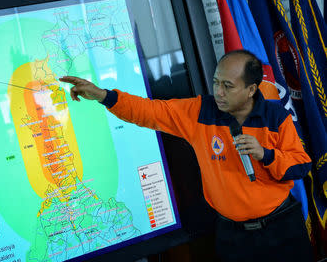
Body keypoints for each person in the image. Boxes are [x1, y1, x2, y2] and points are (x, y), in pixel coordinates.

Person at [59, 49, 313, 262]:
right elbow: (150, 112)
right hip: (233, 237)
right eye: (216, 82)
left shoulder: (275, 117)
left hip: (282, 230)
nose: (219, 92)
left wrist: (266, 155)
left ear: (251, 89)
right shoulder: (200, 112)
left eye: (228, 86)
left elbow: (301, 166)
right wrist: (104, 96)